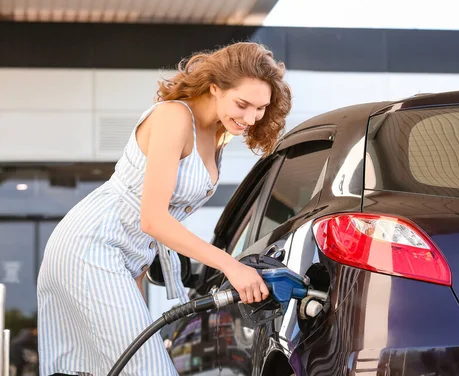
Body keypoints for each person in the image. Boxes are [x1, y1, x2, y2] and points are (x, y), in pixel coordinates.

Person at [36, 42, 292, 376]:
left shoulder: (218, 134)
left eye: (260, 108)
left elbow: (142, 238)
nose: (250, 118)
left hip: (125, 257)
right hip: (90, 243)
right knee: (147, 370)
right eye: (242, 104)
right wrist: (232, 266)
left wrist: (137, 291)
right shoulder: (174, 118)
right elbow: (153, 219)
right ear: (215, 87)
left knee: (118, 365)